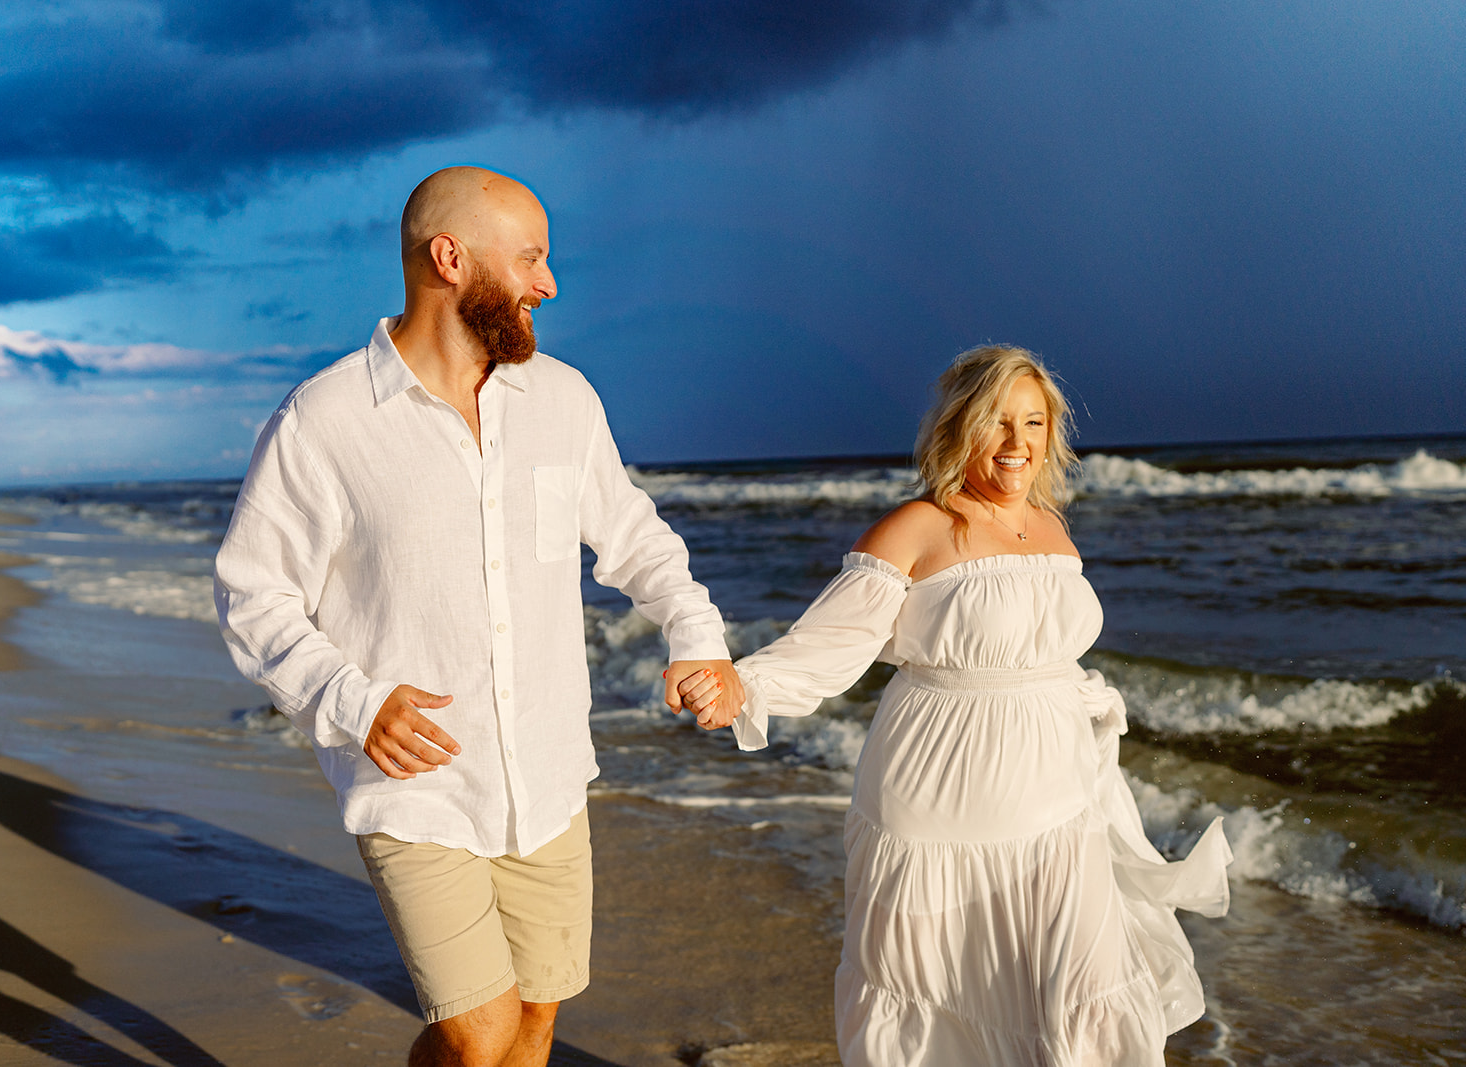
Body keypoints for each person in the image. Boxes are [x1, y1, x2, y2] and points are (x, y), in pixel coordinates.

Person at [214, 165, 743, 1067]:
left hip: (548, 775)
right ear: (450, 259)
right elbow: (252, 592)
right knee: (480, 1030)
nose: (549, 283)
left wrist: (698, 637)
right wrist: (351, 701)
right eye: (530, 258)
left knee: (533, 1022)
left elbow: (635, 537)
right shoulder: (324, 420)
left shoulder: (564, 401)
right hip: (415, 785)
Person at [681, 345, 1232, 1066]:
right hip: (940, 799)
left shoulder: (1052, 527)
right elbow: (829, 645)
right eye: (996, 421)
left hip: (1060, 795)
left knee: (1080, 989)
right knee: (937, 995)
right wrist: (742, 685)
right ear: (958, 427)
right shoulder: (915, 527)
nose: (1016, 442)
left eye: (1032, 422)